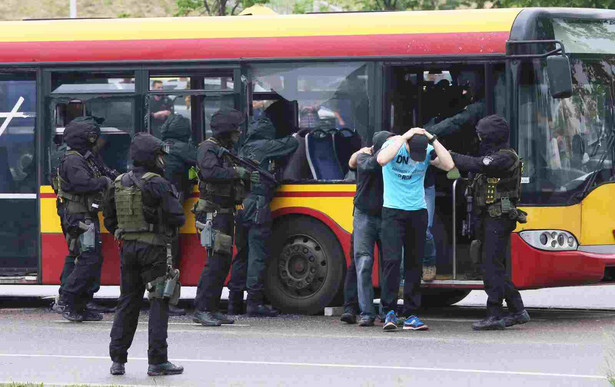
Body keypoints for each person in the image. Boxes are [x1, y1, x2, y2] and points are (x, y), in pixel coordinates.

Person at [104, 133, 185, 376]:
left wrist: (123, 231)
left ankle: (117, 359)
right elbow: (177, 216)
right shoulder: (157, 183)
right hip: (154, 250)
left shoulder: (118, 181)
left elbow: (109, 219)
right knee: (159, 301)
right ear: (152, 158)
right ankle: (157, 360)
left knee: (127, 301)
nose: (162, 160)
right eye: (160, 155)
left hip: (128, 249)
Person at [449, 115, 530, 331]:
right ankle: (517, 310)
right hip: (487, 217)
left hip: (499, 218)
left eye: (482, 135)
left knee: (491, 265)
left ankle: (495, 313)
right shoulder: (492, 155)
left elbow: (476, 164)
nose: (480, 139)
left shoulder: (505, 158)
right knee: (489, 265)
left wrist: (451, 155)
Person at [376, 128, 454, 331]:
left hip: (417, 212)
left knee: (414, 264)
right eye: (413, 154)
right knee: (392, 261)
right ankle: (389, 311)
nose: (417, 160)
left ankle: (411, 313)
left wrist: (433, 139)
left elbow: (449, 165)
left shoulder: (426, 150)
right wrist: (403, 137)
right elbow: (382, 160)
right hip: (392, 211)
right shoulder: (393, 146)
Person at [227, 100, 299, 316]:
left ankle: (234, 302)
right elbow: (291, 144)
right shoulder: (265, 146)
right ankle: (254, 302)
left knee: (241, 254)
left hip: (239, 205)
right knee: (257, 254)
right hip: (257, 205)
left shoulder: (243, 148)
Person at [51, 119, 117, 315]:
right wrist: (104, 181)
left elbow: (106, 172)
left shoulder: (86, 157)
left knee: (81, 256)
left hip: (85, 214)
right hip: (78, 216)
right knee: (88, 257)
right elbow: (83, 184)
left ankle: (79, 303)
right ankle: (68, 300)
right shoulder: (72, 160)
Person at [193, 108, 252, 326]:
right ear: (227, 131)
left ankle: (212, 307)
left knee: (223, 262)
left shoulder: (221, 149)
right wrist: (237, 173)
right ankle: (202, 309)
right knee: (215, 262)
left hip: (224, 212)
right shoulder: (207, 149)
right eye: (236, 130)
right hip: (212, 213)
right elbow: (210, 173)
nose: (238, 134)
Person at [346, 130, 392, 326]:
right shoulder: (367, 158)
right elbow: (366, 163)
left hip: (388, 215)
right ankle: (366, 312)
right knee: (363, 263)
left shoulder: (394, 159)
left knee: (391, 264)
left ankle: (386, 311)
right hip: (365, 215)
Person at [160, 114, 197, 316]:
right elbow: (203, 161)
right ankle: (168, 300)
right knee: (169, 251)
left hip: (154, 207)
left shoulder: (158, 146)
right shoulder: (182, 148)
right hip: (170, 206)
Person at [422, 167, 437, 282]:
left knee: (425, 230)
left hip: (426, 186)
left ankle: (429, 264)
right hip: (404, 188)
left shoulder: (430, 148)